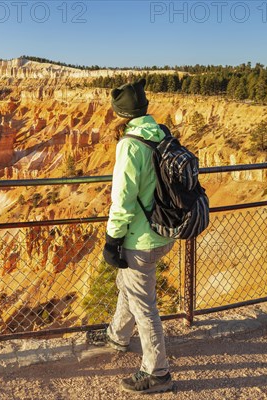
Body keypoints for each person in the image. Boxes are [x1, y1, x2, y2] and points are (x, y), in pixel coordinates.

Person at [88, 78, 176, 394]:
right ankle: (118, 336)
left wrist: (112, 240)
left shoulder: (130, 144)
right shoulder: (163, 133)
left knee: (144, 305)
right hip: (166, 230)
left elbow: (123, 199)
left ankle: (158, 373)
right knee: (128, 284)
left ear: (121, 114)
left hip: (141, 238)